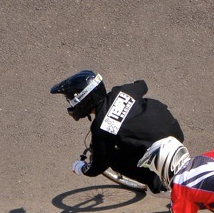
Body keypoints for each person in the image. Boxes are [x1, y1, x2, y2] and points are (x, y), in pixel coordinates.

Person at [50, 70, 185, 195]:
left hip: (163, 151)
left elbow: (98, 165)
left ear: (83, 101)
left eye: (70, 100)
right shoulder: (121, 91)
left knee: (113, 160)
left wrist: (83, 168)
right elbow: (142, 85)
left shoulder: (100, 128)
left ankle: (161, 187)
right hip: (175, 132)